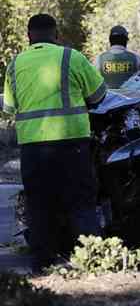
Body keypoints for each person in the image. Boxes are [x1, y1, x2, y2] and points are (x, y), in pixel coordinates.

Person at [2, 14, 107, 272]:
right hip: (72, 143)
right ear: (56, 34)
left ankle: (43, 262)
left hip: (34, 148)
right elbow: (99, 95)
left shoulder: (15, 64)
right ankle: (91, 260)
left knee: (39, 204)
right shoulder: (72, 58)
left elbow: (8, 107)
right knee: (81, 201)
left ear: (29, 36)